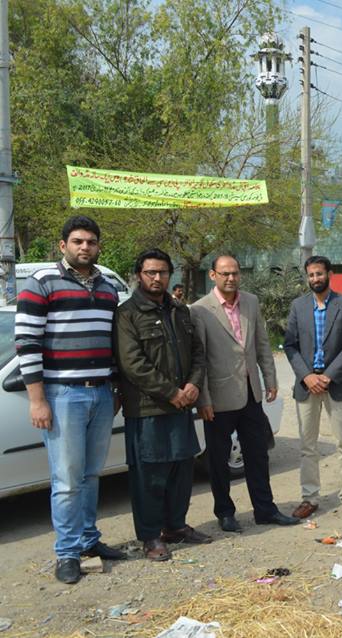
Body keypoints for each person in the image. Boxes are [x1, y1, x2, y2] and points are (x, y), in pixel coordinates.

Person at [15, 215, 126, 584]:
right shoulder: (42, 282)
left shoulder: (108, 287)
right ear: (63, 245)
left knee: (92, 475)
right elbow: (27, 344)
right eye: (78, 241)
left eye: (91, 242)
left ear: (98, 247)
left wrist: (115, 388)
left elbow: (113, 344)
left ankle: (89, 541)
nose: (85, 247)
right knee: (65, 480)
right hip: (63, 396)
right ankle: (67, 552)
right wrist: (36, 400)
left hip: (100, 392)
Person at [115, 249, 211, 562]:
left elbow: (198, 352)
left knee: (182, 470)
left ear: (171, 275)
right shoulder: (127, 314)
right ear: (138, 275)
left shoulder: (180, 311)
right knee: (150, 477)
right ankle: (151, 536)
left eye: (163, 272)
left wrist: (193, 384)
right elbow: (133, 364)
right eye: (150, 273)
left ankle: (175, 527)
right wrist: (171, 392)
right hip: (148, 410)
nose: (157, 278)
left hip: (181, 406)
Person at [191, 255, 298, 531]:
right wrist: (203, 399)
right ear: (213, 275)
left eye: (235, 273)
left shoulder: (250, 302)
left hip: (251, 394)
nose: (231, 278)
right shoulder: (200, 310)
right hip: (219, 398)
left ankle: (265, 509)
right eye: (225, 273)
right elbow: (198, 358)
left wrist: (270, 380)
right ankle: (225, 513)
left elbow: (261, 344)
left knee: (258, 455)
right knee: (218, 459)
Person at [283, 256, 342, 520]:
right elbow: (290, 345)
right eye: (311, 275)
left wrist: (328, 376)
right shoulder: (298, 306)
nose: (315, 279)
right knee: (308, 446)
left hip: (336, 383)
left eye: (319, 274)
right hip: (307, 385)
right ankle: (310, 498)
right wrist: (307, 376)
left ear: (329, 274)